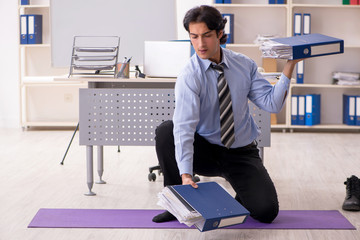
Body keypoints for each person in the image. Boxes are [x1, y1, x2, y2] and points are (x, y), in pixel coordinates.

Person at [152, 5, 302, 224]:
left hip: (240, 152)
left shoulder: (244, 65)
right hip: (205, 149)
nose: (200, 44)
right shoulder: (189, 75)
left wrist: (289, 66)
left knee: (266, 212)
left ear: (220, 34)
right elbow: (184, 127)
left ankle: (240, 197)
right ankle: (177, 202)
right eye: (194, 37)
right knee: (167, 131)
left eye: (207, 36)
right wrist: (185, 175)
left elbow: (271, 104)